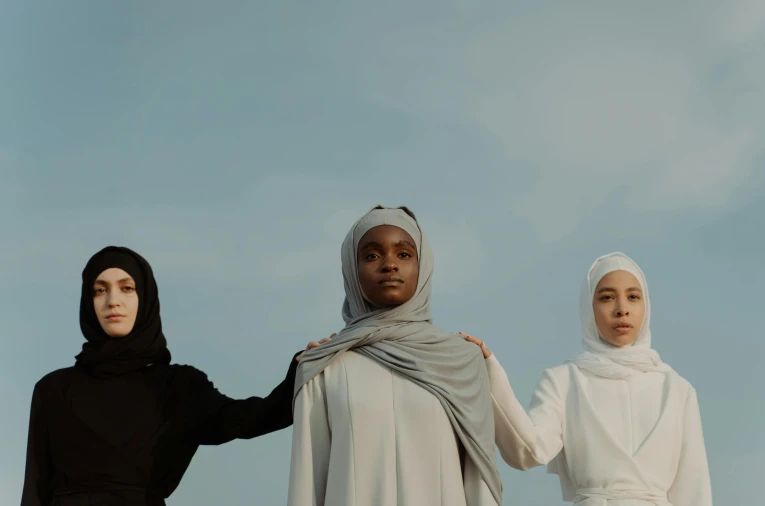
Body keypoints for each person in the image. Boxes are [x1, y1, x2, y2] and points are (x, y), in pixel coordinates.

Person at [21, 246, 323, 506]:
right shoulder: (53, 390)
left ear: (146, 296)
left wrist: (301, 371)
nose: (113, 300)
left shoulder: (177, 387)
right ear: (89, 302)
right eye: (100, 290)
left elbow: (249, 418)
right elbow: (34, 491)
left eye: (127, 288)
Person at [288, 206, 502, 506]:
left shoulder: (461, 361)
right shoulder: (325, 366)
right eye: (372, 255)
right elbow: (307, 484)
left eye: (404, 254)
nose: (389, 265)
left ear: (422, 265)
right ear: (352, 269)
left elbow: (479, 481)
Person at [462, 252, 712, 506]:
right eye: (607, 298)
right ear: (588, 308)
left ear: (646, 306)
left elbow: (694, 487)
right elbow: (528, 451)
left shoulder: (677, 389)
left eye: (633, 297)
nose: (622, 309)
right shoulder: (564, 381)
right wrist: (490, 372)